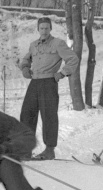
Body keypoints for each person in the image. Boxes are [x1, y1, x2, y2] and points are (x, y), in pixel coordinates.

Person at [18, 17, 79, 160]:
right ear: (38, 29)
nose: (44, 31)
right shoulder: (34, 45)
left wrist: (62, 73)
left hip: (49, 83)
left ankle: (49, 150)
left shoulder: (58, 43)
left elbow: (73, 59)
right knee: (27, 114)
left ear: (50, 29)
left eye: (46, 28)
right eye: (41, 28)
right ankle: (26, 150)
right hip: (35, 83)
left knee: (49, 116)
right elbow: (26, 59)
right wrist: (25, 68)